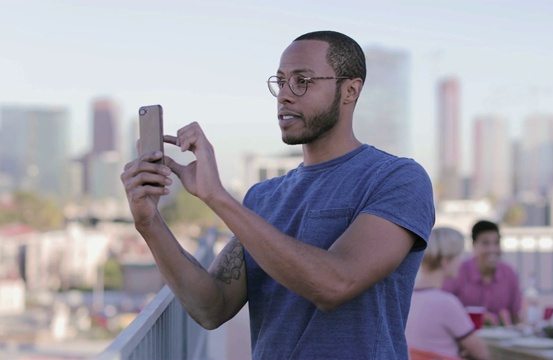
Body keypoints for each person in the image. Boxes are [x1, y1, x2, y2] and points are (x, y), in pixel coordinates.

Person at [121, 30, 435, 359]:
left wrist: (217, 197)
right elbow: (211, 307)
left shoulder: (397, 179)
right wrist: (149, 223)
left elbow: (336, 283)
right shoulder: (263, 197)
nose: (285, 95)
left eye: (303, 80)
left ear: (350, 90)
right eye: (280, 81)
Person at [406, 227, 490, 360]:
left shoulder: (408, 298)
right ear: (445, 262)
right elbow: (482, 353)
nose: (461, 262)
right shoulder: (446, 302)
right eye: (459, 256)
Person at [442, 220, 522, 326]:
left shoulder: (509, 273)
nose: (492, 249)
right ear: (474, 245)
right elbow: (442, 308)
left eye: (496, 243)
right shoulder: (459, 271)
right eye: (485, 243)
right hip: (462, 337)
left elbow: (516, 316)